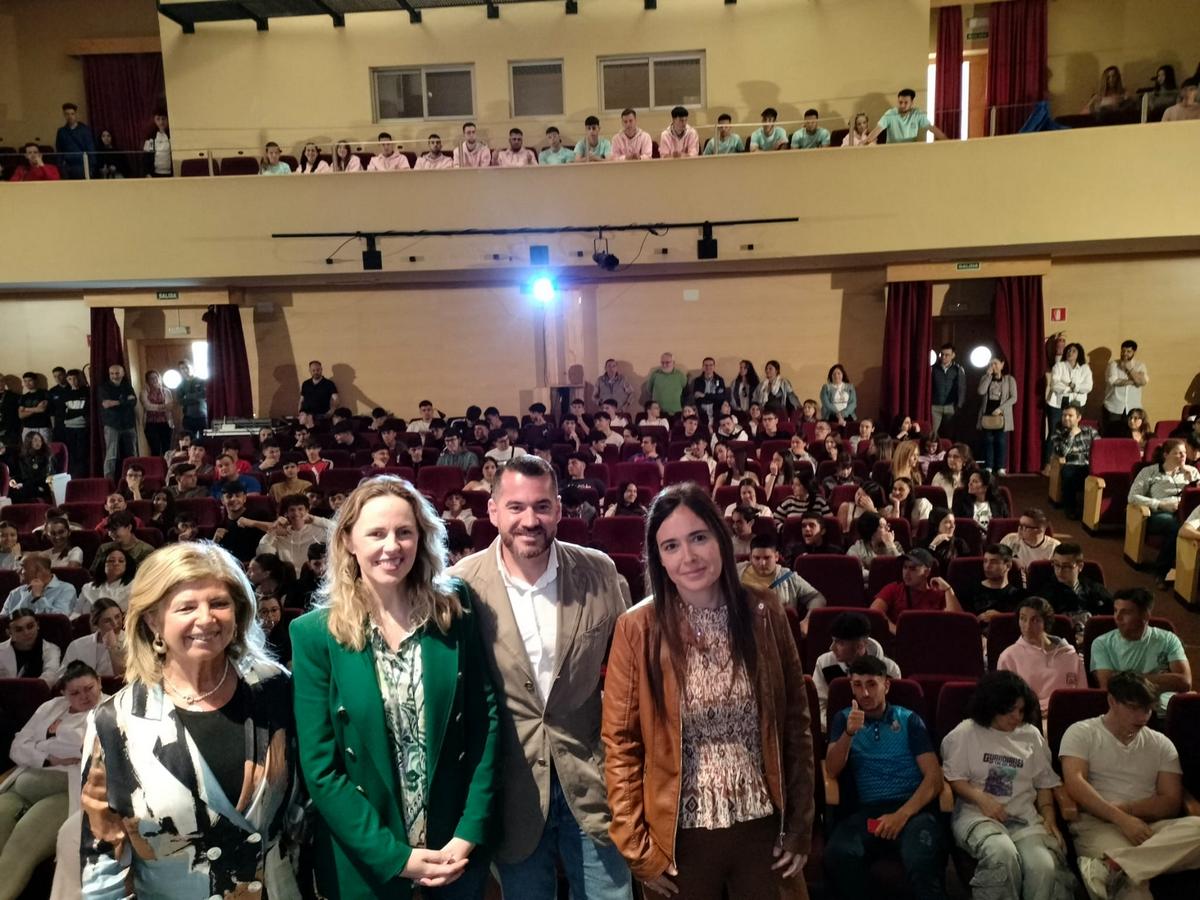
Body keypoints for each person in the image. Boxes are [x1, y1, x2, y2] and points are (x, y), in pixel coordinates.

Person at [288, 476, 499, 897]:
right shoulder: (314, 634)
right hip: (368, 859)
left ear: (421, 538)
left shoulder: (454, 608)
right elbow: (321, 769)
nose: (392, 546)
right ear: (348, 540)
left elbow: (484, 723)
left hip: (453, 851)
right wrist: (396, 858)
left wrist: (467, 834)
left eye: (405, 532)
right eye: (376, 534)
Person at [602, 482, 813, 899]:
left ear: (722, 537)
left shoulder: (765, 611)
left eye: (699, 537)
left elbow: (796, 725)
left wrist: (801, 826)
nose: (689, 557)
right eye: (671, 546)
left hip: (764, 830)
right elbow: (621, 744)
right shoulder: (637, 628)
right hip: (678, 837)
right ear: (659, 559)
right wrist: (637, 848)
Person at [447, 455, 633, 900]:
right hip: (511, 792)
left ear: (559, 509)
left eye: (542, 506)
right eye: (516, 507)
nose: (530, 520)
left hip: (592, 783)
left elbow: (632, 674)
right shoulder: (458, 586)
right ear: (492, 511)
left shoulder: (599, 572)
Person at [80, 541, 302, 898]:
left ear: (239, 611)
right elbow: (102, 862)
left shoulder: (276, 688)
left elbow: (302, 813)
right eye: (186, 607)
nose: (206, 618)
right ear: (153, 619)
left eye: (219, 603)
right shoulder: (115, 721)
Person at [1060, 671, 1200, 900]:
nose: (1142, 717)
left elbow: (1171, 802)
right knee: (1133, 890)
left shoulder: (1161, 743)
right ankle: (1126, 868)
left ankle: (1112, 867)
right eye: (1134, 708)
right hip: (1098, 824)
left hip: (1151, 826)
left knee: (1197, 827)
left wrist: (1129, 813)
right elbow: (1075, 784)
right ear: (1112, 701)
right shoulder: (1081, 732)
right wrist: (1121, 819)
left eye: (1147, 709)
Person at [940, 671, 1076, 900]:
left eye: (1022, 710)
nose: (1017, 717)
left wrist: (1049, 818)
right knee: (1001, 853)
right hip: (977, 814)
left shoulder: (1031, 735)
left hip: (1023, 817)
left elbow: (1044, 783)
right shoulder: (966, 733)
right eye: (1010, 710)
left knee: (1044, 866)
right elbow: (954, 779)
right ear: (991, 707)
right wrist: (982, 799)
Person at [824, 655, 948, 900]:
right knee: (839, 853)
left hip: (912, 813)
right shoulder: (844, 718)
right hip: (871, 816)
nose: (865, 693)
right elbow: (831, 770)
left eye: (871, 684)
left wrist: (901, 815)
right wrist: (849, 734)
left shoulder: (908, 719)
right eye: (857, 685)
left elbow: (934, 778)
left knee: (922, 858)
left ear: (886, 685)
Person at [0, 660, 104, 898]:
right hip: (21, 785)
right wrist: (50, 756)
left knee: (21, 843)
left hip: (63, 790)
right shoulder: (51, 707)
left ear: (98, 682)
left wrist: (43, 743)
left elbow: (82, 746)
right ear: (64, 694)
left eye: (89, 688)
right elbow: (16, 746)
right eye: (75, 693)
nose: (84, 697)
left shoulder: (109, 709)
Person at [1090, 588, 1191, 715]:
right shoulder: (1102, 643)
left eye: (1126, 612)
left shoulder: (1168, 639)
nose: (1117, 618)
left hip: (1165, 713)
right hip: (1126, 713)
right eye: (1116, 611)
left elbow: (1184, 682)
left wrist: (1124, 678)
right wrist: (1163, 678)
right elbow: (1108, 686)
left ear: (1145, 615)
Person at [996, 596, 1084, 716]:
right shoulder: (1008, 657)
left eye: (1035, 620)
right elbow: (1007, 702)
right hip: (1030, 720)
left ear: (1046, 622)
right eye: (1023, 619)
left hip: (1070, 717)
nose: (1027, 626)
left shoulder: (1070, 655)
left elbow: (1082, 695)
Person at [1129, 438, 1199, 585]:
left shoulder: (1192, 471)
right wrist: (1160, 503)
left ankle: (1190, 575)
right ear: (1165, 455)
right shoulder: (1150, 472)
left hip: (1187, 513)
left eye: (1184, 453)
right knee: (1176, 528)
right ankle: (1161, 571)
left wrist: (1195, 481)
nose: (1183, 456)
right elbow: (1132, 497)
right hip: (1158, 514)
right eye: (1177, 453)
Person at [811, 611, 901, 725]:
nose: (831, 647)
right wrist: (838, 727)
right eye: (833, 640)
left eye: (840, 643)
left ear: (860, 645)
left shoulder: (890, 670)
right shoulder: (824, 663)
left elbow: (892, 710)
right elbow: (819, 706)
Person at [870, 548, 962, 634]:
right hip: (901, 643)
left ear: (927, 572)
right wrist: (896, 630)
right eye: (905, 567)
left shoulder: (938, 593)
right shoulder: (894, 588)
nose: (906, 573)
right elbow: (874, 612)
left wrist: (948, 589)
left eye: (913, 568)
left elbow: (958, 622)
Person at [740, 532, 827, 621]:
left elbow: (817, 597)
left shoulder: (789, 578)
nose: (762, 563)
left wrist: (807, 620)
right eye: (757, 558)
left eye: (767, 558)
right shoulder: (737, 572)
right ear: (750, 557)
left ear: (776, 556)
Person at [1039, 543, 1113, 635]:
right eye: (1056, 565)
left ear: (1080, 566)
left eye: (1066, 566)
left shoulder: (1095, 589)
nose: (1059, 571)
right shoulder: (1046, 594)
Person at [1044, 342, 1092, 467]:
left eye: (1074, 351)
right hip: (1057, 403)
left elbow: (1088, 386)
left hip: (1077, 404)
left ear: (1079, 354)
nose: (1070, 353)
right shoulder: (1059, 366)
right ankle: (1048, 464)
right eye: (1068, 350)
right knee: (1054, 433)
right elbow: (1055, 384)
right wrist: (1070, 389)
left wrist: (1073, 387)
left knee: (1073, 432)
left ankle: (1072, 460)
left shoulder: (1085, 368)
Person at [1050, 404, 1098, 519]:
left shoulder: (1090, 431)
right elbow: (1061, 453)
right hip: (1071, 464)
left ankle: (1092, 512)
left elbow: (1099, 449)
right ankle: (1071, 509)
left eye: (1070, 415)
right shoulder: (1058, 434)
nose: (1066, 418)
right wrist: (1071, 435)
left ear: (1078, 418)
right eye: (1064, 415)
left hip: (1089, 465)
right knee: (1068, 474)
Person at [61, 599, 126, 678]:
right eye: (107, 621)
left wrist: (112, 648)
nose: (115, 623)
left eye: (117, 617)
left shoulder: (134, 642)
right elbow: (63, 677)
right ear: (96, 624)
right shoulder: (77, 645)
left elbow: (125, 678)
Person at [977, 354, 1017, 475]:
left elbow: (1014, 397)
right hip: (987, 414)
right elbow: (981, 391)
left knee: (1001, 441)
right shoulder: (985, 377)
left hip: (1002, 415)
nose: (993, 366)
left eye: (995, 363)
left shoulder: (1009, 379)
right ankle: (988, 466)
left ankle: (1000, 467)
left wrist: (1000, 409)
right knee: (988, 441)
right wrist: (988, 375)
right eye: (991, 364)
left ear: (1002, 364)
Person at [0, 608, 62, 683]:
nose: (26, 633)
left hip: (37, 693)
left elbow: (50, 678)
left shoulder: (51, 649)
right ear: (9, 632)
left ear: (37, 625)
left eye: (30, 626)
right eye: (19, 629)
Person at [2, 554, 77, 616]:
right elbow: (2, 620)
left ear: (39, 572)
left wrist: (38, 598)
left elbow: (59, 620)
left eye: (23, 567)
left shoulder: (66, 589)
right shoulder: (15, 592)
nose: (18, 571)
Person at [99, 363, 138, 481]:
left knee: (132, 453)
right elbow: (106, 404)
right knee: (111, 455)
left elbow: (133, 402)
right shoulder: (103, 387)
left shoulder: (127, 386)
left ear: (123, 373)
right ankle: (108, 482)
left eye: (117, 373)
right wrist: (123, 401)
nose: (114, 376)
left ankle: (134, 478)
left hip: (128, 423)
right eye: (112, 373)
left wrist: (117, 402)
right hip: (112, 424)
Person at [868, 88, 948, 144]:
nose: (902, 105)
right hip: (892, 151)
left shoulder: (917, 114)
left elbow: (932, 128)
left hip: (910, 151)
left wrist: (948, 141)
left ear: (912, 103)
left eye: (906, 102)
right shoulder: (890, 114)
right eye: (900, 102)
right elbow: (877, 130)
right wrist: (865, 141)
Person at [1102, 340, 1148, 436]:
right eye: (1123, 351)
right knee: (1112, 435)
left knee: (1130, 435)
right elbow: (1114, 381)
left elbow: (1143, 382)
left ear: (1134, 352)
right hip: (1114, 407)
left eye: (1128, 351)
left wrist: (1129, 368)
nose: (1124, 354)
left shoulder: (1140, 366)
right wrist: (1134, 381)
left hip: (1133, 407)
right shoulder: (1113, 364)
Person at [78, 546, 137, 616]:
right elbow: (76, 612)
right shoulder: (88, 587)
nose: (116, 563)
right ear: (103, 564)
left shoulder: (135, 587)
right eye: (111, 561)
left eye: (121, 561)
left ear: (127, 565)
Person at [846, 511, 900, 583]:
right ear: (871, 530)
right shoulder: (856, 549)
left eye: (888, 525)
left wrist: (890, 545)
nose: (888, 529)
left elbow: (902, 568)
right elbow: (856, 574)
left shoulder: (896, 545)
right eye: (882, 526)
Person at [1000, 508, 1060, 573]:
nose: (1020, 529)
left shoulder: (1055, 547)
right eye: (1020, 525)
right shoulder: (1010, 539)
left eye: (1025, 526)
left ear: (1040, 530)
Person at [931, 344, 968, 437]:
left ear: (953, 355)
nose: (943, 357)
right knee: (933, 434)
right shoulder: (934, 368)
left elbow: (962, 388)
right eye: (942, 354)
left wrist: (959, 406)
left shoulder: (958, 369)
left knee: (949, 434)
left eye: (947, 355)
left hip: (951, 406)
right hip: (935, 405)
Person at [8, 431, 54, 503]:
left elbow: (44, 476)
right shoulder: (23, 458)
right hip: (27, 486)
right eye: (35, 440)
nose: (38, 442)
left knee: (22, 492)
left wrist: (24, 485)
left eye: (40, 440)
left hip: (42, 486)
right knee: (11, 491)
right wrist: (13, 480)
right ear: (29, 442)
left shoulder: (47, 456)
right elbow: (21, 475)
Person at [55, 101, 97, 179]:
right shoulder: (61, 132)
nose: (70, 116)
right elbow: (59, 150)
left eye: (72, 114)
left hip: (82, 166)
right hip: (67, 167)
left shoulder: (85, 130)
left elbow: (91, 149)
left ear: (76, 114)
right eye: (67, 114)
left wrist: (91, 168)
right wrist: (60, 167)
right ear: (64, 115)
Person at [59, 367, 89, 476]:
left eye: (75, 379)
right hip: (69, 427)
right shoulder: (65, 394)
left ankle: (83, 474)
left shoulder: (86, 391)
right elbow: (63, 411)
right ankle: (74, 475)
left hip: (82, 426)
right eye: (70, 379)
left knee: (82, 452)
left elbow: (86, 410)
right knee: (71, 453)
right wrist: (77, 411)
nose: (73, 381)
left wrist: (73, 412)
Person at [139, 369, 175, 457]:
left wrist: (155, 407)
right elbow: (147, 406)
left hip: (166, 423)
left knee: (167, 449)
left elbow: (169, 406)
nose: (154, 380)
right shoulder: (144, 392)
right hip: (151, 424)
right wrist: (162, 407)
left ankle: (167, 468)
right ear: (147, 381)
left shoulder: (166, 391)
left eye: (156, 378)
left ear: (159, 378)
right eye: (151, 378)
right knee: (155, 448)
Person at [644, 351, 688, 416]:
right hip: (658, 413)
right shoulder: (655, 374)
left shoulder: (680, 375)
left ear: (673, 363)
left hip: (675, 412)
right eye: (662, 362)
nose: (664, 365)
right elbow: (649, 389)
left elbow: (685, 390)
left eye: (667, 362)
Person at [17, 371, 51, 444]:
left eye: (30, 380)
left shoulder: (44, 393)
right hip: (27, 428)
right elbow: (21, 415)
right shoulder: (24, 397)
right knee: (28, 452)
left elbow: (42, 409)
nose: (27, 383)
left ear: (35, 381)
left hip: (42, 427)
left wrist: (26, 409)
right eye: (25, 381)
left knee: (45, 451)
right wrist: (36, 409)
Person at [142, 109, 172, 176]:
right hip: (155, 174)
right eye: (158, 119)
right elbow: (147, 157)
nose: (161, 122)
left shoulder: (172, 136)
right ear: (155, 120)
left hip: (171, 173)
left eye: (163, 119)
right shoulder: (151, 138)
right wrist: (148, 173)